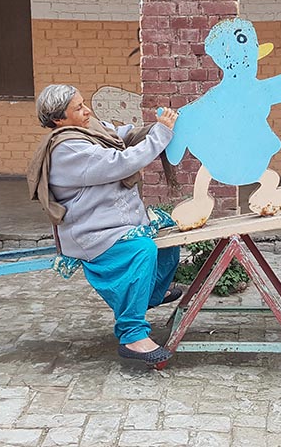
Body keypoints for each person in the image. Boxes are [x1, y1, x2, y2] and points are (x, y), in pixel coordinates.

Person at [27, 85, 183, 365]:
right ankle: (132, 335)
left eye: (83, 103)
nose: (87, 110)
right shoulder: (66, 148)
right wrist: (160, 134)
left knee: (170, 232)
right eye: (78, 108)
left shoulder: (88, 128)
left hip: (119, 221)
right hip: (93, 232)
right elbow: (120, 162)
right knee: (142, 250)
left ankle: (150, 294)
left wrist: (150, 129)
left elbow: (119, 136)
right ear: (58, 120)